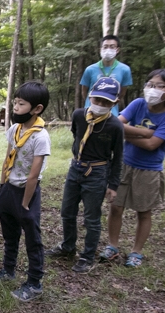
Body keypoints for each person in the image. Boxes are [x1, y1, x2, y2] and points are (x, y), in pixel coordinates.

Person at [45, 77, 124, 273]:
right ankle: (68, 246)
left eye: (106, 103)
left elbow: (118, 157)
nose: (100, 105)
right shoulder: (79, 115)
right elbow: (76, 135)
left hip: (97, 172)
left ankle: (88, 256)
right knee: (67, 211)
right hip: (76, 168)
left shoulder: (115, 126)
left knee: (91, 217)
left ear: (114, 103)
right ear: (90, 97)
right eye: (97, 100)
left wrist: (113, 185)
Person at [0, 81, 51, 303]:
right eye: (15, 102)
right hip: (8, 189)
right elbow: (8, 157)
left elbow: (34, 174)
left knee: (32, 238)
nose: (15, 107)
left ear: (37, 109)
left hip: (26, 193)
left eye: (21, 104)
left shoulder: (40, 137)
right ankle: (8, 270)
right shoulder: (14, 129)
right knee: (10, 235)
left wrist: (25, 201)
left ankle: (34, 282)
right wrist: (3, 185)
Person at [102, 69, 165, 267]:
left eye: (159, 86)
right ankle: (112, 246)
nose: (152, 89)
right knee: (115, 207)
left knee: (144, 211)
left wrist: (128, 134)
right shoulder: (138, 104)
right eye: (149, 84)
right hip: (124, 164)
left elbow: (152, 146)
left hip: (149, 170)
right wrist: (147, 133)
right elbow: (116, 124)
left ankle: (136, 252)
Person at [80, 34, 133, 117]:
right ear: (100, 49)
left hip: (111, 113)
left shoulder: (125, 69)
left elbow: (122, 93)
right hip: (90, 111)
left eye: (112, 47)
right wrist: (93, 102)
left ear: (117, 49)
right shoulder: (90, 69)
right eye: (105, 47)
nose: (108, 49)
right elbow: (84, 91)